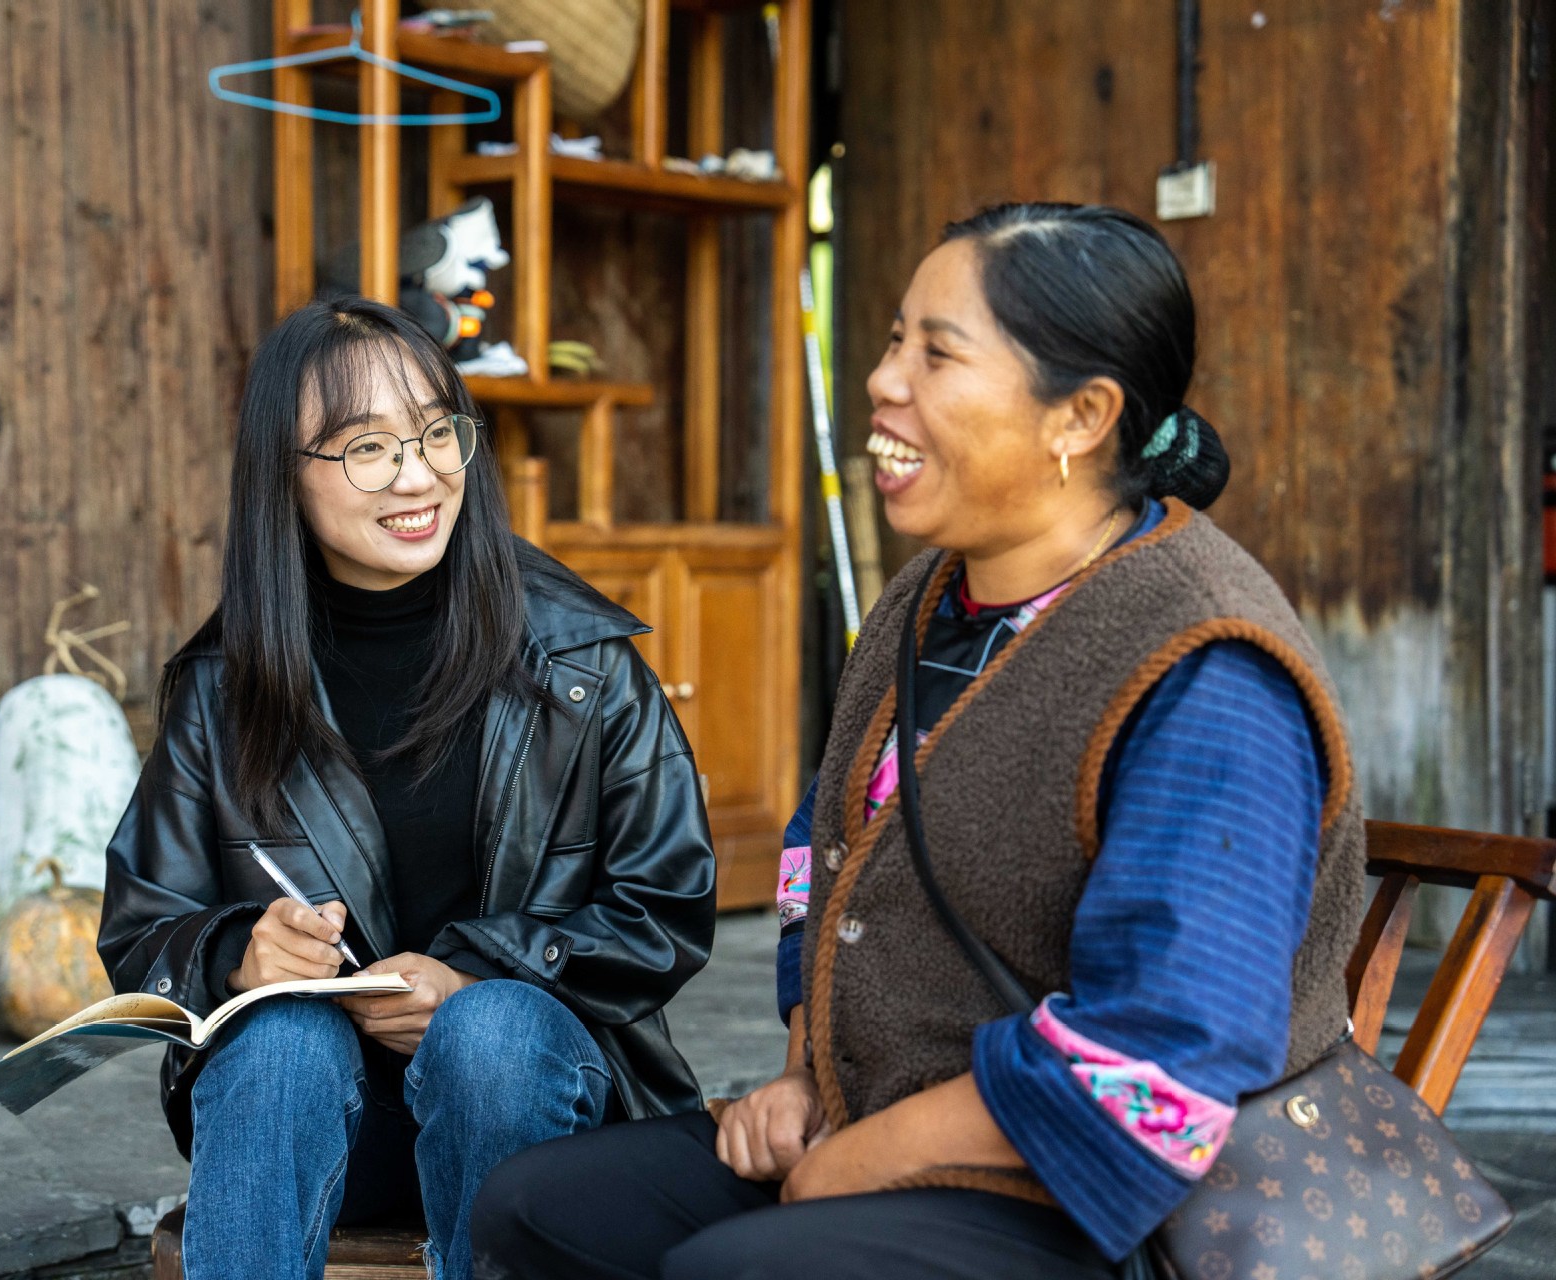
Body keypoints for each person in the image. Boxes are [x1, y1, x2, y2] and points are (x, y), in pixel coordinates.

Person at [471, 203, 1366, 1279]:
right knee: (534, 1207)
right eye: (896, 339)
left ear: (1079, 415)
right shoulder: (929, 595)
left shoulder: (1207, 666)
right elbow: (820, 849)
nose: (885, 380)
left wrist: (862, 1159)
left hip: (1106, 1203)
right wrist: (805, 1071)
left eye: (937, 354)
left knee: (740, 1268)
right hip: (878, 1108)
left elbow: (1164, 1059)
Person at [98, 297, 716, 1280]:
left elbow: (668, 903)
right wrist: (235, 952)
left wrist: (471, 968)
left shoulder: (580, 661)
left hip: (539, 1107)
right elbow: (142, 926)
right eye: (366, 447)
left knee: (490, 1028)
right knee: (283, 1035)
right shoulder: (224, 686)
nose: (419, 473)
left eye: (437, 432)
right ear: (281, 475)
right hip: (332, 1130)